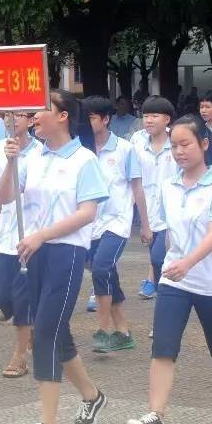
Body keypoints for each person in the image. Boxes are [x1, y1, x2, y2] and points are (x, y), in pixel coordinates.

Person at [0, 89, 109, 424]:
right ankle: (92, 395)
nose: (33, 116)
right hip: (35, 252)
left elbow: (87, 213)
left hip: (66, 252)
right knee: (57, 334)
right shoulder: (35, 158)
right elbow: (8, 197)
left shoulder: (84, 160)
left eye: (42, 109)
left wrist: (43, 234)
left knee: (44, 332)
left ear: (62, 116)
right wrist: (11, 162)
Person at [126, 115, 212, 424]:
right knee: (163, 346)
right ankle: (155, 415)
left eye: (185, 144)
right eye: (174, 146)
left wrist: (187, 263)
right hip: (174, 280)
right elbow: (169, 235)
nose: (178, 151)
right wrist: (168, 264)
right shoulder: (168, 185)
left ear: (204, 145)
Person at [0, 111, 41, 378]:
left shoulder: (43, 152)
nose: (13, 120)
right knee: (3, 298)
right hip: (6, 234)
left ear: (30, 120)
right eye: (8, 115)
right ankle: (32, 330)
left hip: (33, 235)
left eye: (19, 115)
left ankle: (20, 356)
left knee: (22, 296)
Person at [83, 96, 146, 352]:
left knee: (101, 268)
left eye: (92, 118)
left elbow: (137, 187)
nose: (87, 123)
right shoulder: (82, 151)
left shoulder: (124, 149)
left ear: (105, 119)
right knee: (106, 273)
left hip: (117, 222)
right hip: (89, 224)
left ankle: (103, 330)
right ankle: (124, 333)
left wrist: (145, 224)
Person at [131, 97, 173, 300]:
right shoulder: (137, 143)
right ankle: (162, 289)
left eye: (154, 116)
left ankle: (163, 290)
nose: (148, 120)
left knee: (158, 257)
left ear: (167, 119)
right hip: (147, 208)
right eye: (145, 115)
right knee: (155, 254)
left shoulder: (176, 142)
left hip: (172, 211)